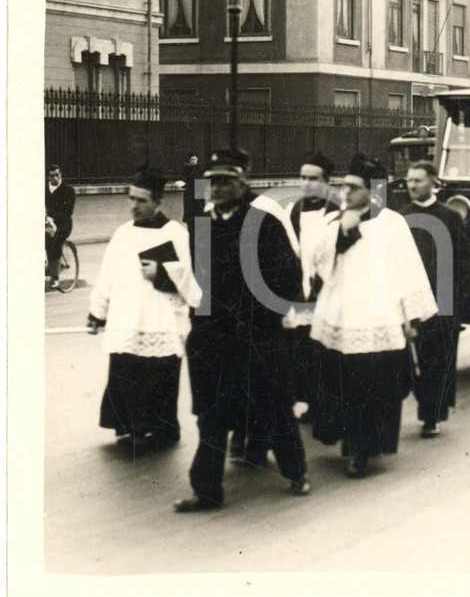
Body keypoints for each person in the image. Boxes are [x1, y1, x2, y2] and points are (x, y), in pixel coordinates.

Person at [174, 148, 310, 513]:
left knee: (275, 405)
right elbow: (200, 280)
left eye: (225, 181)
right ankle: (206, 491)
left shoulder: (263, 222)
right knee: (212, 415)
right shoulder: (203, 226)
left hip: (260, 331)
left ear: (242, 183)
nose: (216, 188)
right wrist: (198, 322)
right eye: (212, 181)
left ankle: (296, 473)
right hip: (217, 333)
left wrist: (273, 317)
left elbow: (289, 276)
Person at [309, 154, 438, 477]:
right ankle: (349, 442)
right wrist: (345, 232)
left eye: (353, 188)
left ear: (370, 191)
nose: (345, 193)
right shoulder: (334, 221)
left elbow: (407, 269)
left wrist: (410, 318)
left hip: (379, 316)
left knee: (373, 387)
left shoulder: (391, 223)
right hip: (343, 315)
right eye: (343, 186)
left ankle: (363, 451)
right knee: (344, 383)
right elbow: (320, 263)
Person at [88, 170, 202, 451]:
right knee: (125, 371)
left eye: (141, 200)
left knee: (158, 376)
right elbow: (107, 276)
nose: (134, 206)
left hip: (159, 318)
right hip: (126, 318)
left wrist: (162, 273)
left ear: (158, 201)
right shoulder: (123, 234)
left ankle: (159, 429)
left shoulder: (174, 233)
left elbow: (192, 284)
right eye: (131, 199)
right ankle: (128, 425)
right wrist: (97, 311)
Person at [398, 160, 470, 438]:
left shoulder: (449, 217)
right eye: (409, 180)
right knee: (411, 359)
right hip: (411, 300)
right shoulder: (401, 218)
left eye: (418, 180)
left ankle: (432, 415)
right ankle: (424, 403)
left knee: (439, 359)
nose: (412, 185)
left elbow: (466, 258)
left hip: (444, 300)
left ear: (433, 182)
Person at [284, 151, 340, 424]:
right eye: (303, 177)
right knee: (303, 348)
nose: (306, 183)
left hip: (328, 288)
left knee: (325, 349)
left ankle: (326, 405)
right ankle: (307, 400)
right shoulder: (293, 211)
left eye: (313, 178)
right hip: (301, 289)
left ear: (327, 181)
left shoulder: (337, 213)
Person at [45, 164, 76, 290]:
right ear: (48, 176)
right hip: (46, 222)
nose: (55, 178)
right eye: (52, 176)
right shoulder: (43, 188)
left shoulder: (68, 190)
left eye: (57, 175)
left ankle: (55, 277)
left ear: (61, 175)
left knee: (54, 243)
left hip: (63, 223)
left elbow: (68, 211)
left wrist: (53, 218)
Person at [178, 153, 205, 229]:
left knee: (199, 213)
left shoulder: (201, 169)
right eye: (191, 159)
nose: (193, 161)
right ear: (189, 160)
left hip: (199, 193)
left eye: (194, 159)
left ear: (197, 160)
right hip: (189, 193)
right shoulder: (186, 169)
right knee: (190, 214)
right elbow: (183, 179)